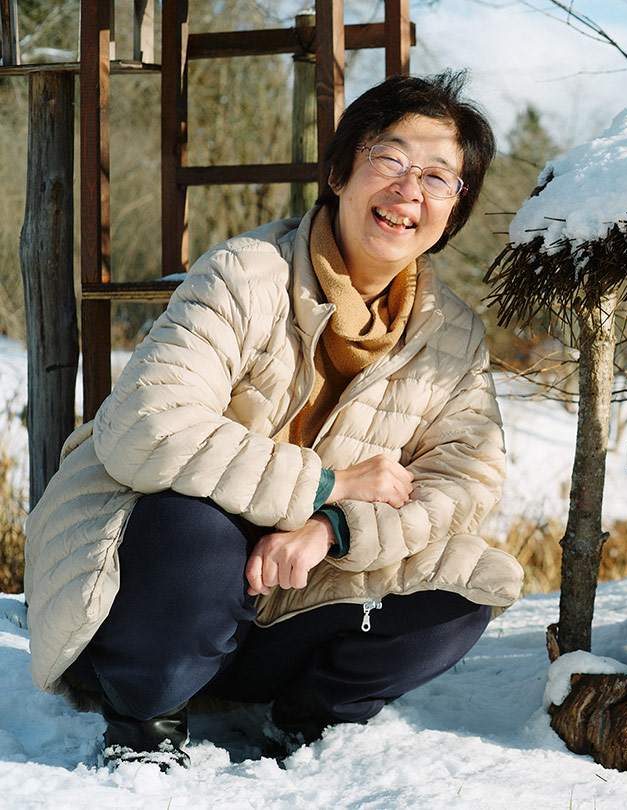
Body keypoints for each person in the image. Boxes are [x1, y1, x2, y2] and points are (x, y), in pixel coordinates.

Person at [23, 71, 521, 769]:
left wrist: (333, 528)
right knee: (192, 527)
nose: (410, 192)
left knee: (473, 578)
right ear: (342, 170)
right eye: (392, 161)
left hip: (280, 601)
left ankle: (306, 713)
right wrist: (327, 485)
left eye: (440, 177)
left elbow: (466, 483)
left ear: (455, 209)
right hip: (141, 602)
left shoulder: (454, 335)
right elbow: (149, 426)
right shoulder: (244, 272)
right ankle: (147, 717)